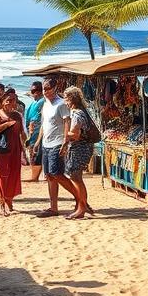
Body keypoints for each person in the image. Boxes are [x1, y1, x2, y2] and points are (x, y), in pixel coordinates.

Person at [34, 78, 79, 218]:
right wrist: (37, 141)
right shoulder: (45, 104)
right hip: (46, 144)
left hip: (57, 143)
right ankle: (53, 207)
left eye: (48, 88)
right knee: (49, 176)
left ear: (54, 88)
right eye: (44, 89)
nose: (45, 91)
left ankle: (80, 199)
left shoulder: (61, 104)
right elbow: (44, 124)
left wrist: (65, 143)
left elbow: (67, 122)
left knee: (57, 174)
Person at [0, 90, 27, 216]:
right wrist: (6, 124)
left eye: (13, 100)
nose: (11, 102)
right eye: (8, 100)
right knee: (1, 176)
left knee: (13, 176)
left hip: (15, 149)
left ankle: (9, 200)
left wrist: (24, 149)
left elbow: (21, 134)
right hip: (1, 151)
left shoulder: (18, 115)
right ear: (2, 102)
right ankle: (2, 204)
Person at [62, 86, 95, 220]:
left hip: (79, 148)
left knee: (76, 177)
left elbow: (74, 134)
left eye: (66, 99)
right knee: (77, 177)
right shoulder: (82, 112)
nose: (65, 102)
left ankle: (81, 208)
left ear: (72, 99)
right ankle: (81, 206)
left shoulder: (76, 113)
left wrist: (62, 133)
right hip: (83, 147)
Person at [24, 81, 45, 182]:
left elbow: (36, 119)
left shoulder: (42, 101)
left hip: (37, 132)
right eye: (32, 91)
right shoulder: (34, 103)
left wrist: (31, 130)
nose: (33, 93)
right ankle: (34, 175)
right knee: (33, 153)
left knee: (35, 154)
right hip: (32, 132)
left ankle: (35, 177)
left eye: (34, 91)